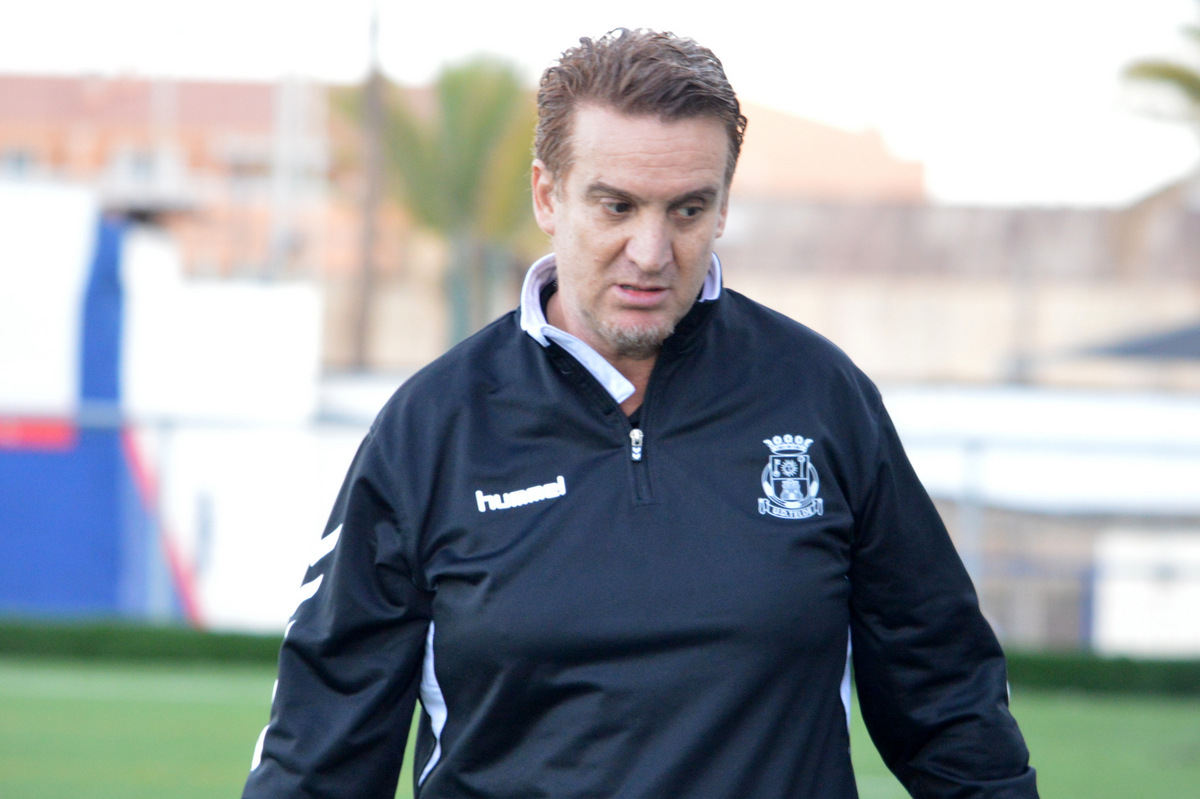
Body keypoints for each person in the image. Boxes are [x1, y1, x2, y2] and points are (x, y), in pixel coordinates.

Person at [242, 28, 1038, 799]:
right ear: (548, 195)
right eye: (617, 206)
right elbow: (319, 750)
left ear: (722, 207)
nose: (652, 253)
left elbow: (949, 702)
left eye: (687, 210)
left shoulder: (822, 398)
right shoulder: (430, 428)